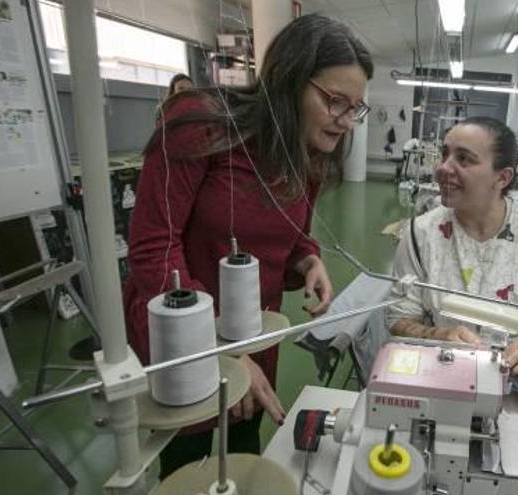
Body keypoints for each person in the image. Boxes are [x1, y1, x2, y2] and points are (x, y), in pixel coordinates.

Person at [124, 14, 372, 479]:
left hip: (251, 327)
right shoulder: (199, 125)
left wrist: (309, 258)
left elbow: (292, 233)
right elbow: (154, 248)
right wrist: (222, 358)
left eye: (355, 108)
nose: (346, 121)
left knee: (242, 447)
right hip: (181, 334)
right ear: (289, 79)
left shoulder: (307, 154)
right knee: (188, 462)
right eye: (335, 101)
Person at [388, 116, 518, 381]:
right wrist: (441, 336)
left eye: (463, 159)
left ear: (502, 177)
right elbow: (398, 317)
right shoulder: (421, 234)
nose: (443, 168)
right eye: (445, 154)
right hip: (442, 376)